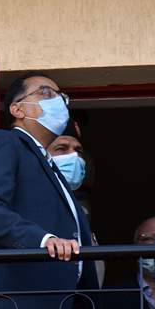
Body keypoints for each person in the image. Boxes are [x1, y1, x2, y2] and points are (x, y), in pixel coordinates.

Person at [0, 73, 100, 309]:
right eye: (46, 93)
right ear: (17, 109)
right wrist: (44, 240)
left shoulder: (51, 168)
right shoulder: (1, 142)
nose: (58, 101)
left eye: (61, 96)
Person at [46, 118, 105, 286]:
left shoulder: (82, 208)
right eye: (61, 149)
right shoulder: (26, 202)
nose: (73, 156)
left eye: (78, 150)